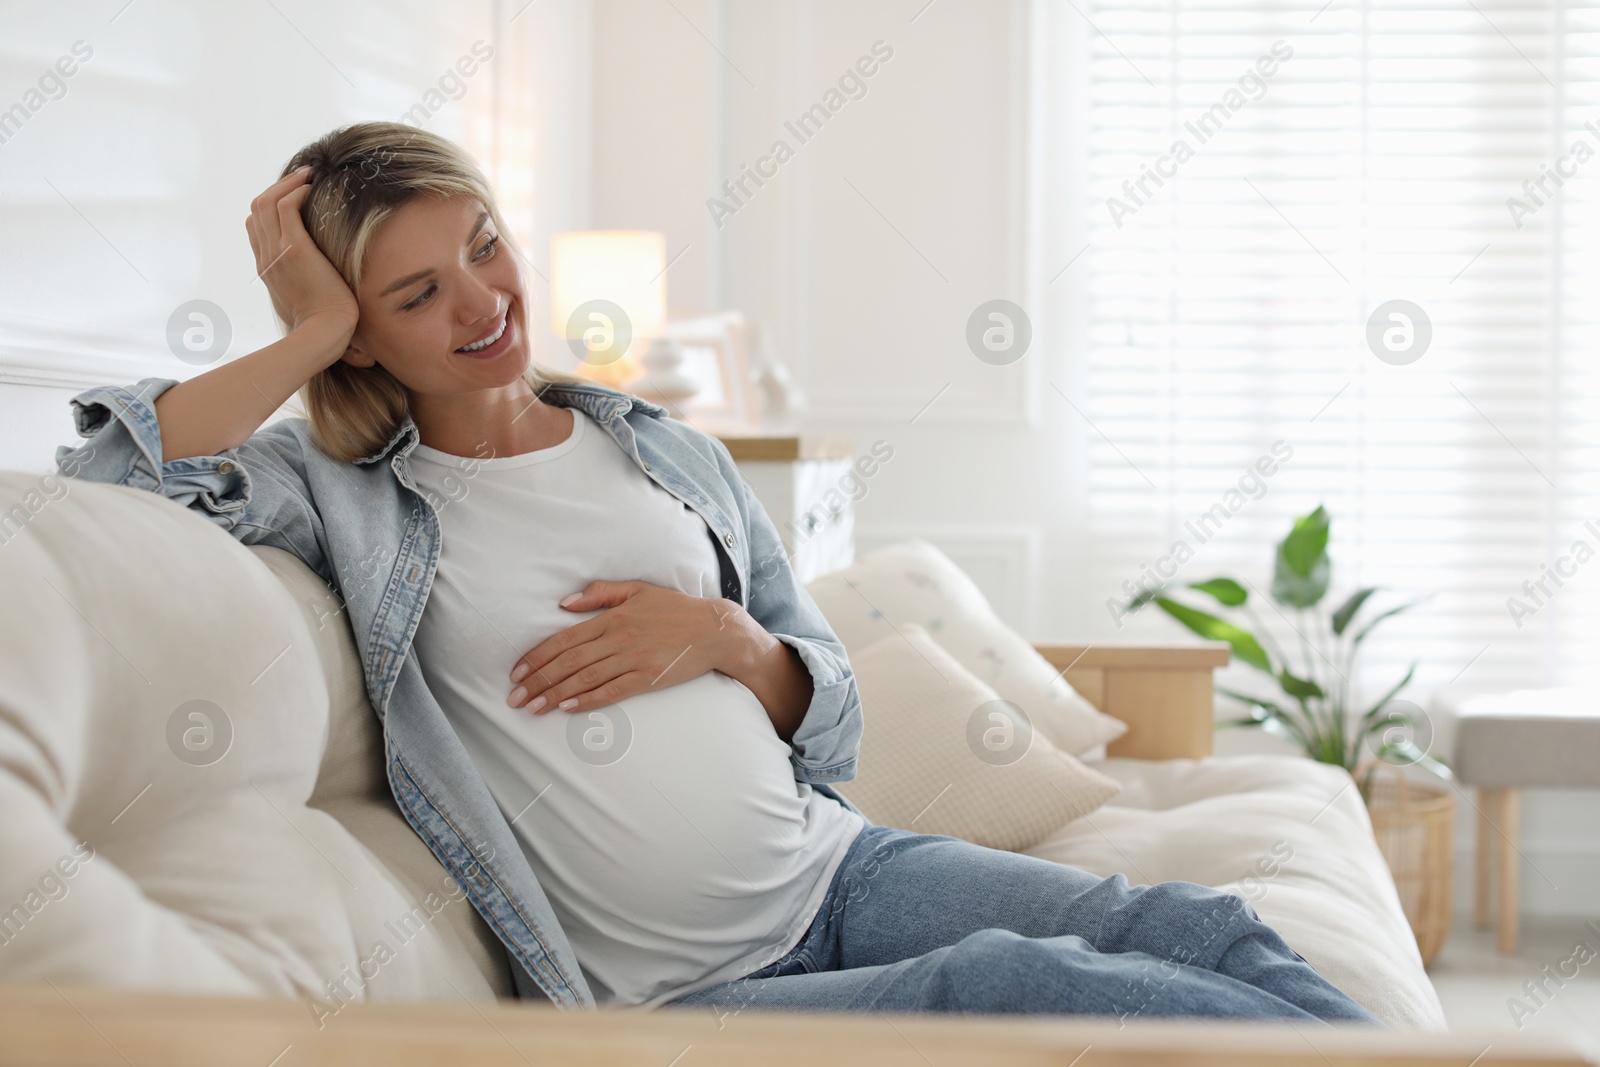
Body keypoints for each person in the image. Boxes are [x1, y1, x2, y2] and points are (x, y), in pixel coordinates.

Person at [56, 121, 1378, 1025]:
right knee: (997, 982)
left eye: (483, 244)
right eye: (412, 298)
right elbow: (120, 477)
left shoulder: (662, 446)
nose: (481, 301)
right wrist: (312, 328)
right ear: (359, 338)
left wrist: (734, 646)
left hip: (843, 871)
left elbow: (834, 718)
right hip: (679, 993)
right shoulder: (347, 501)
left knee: (1196, 932)